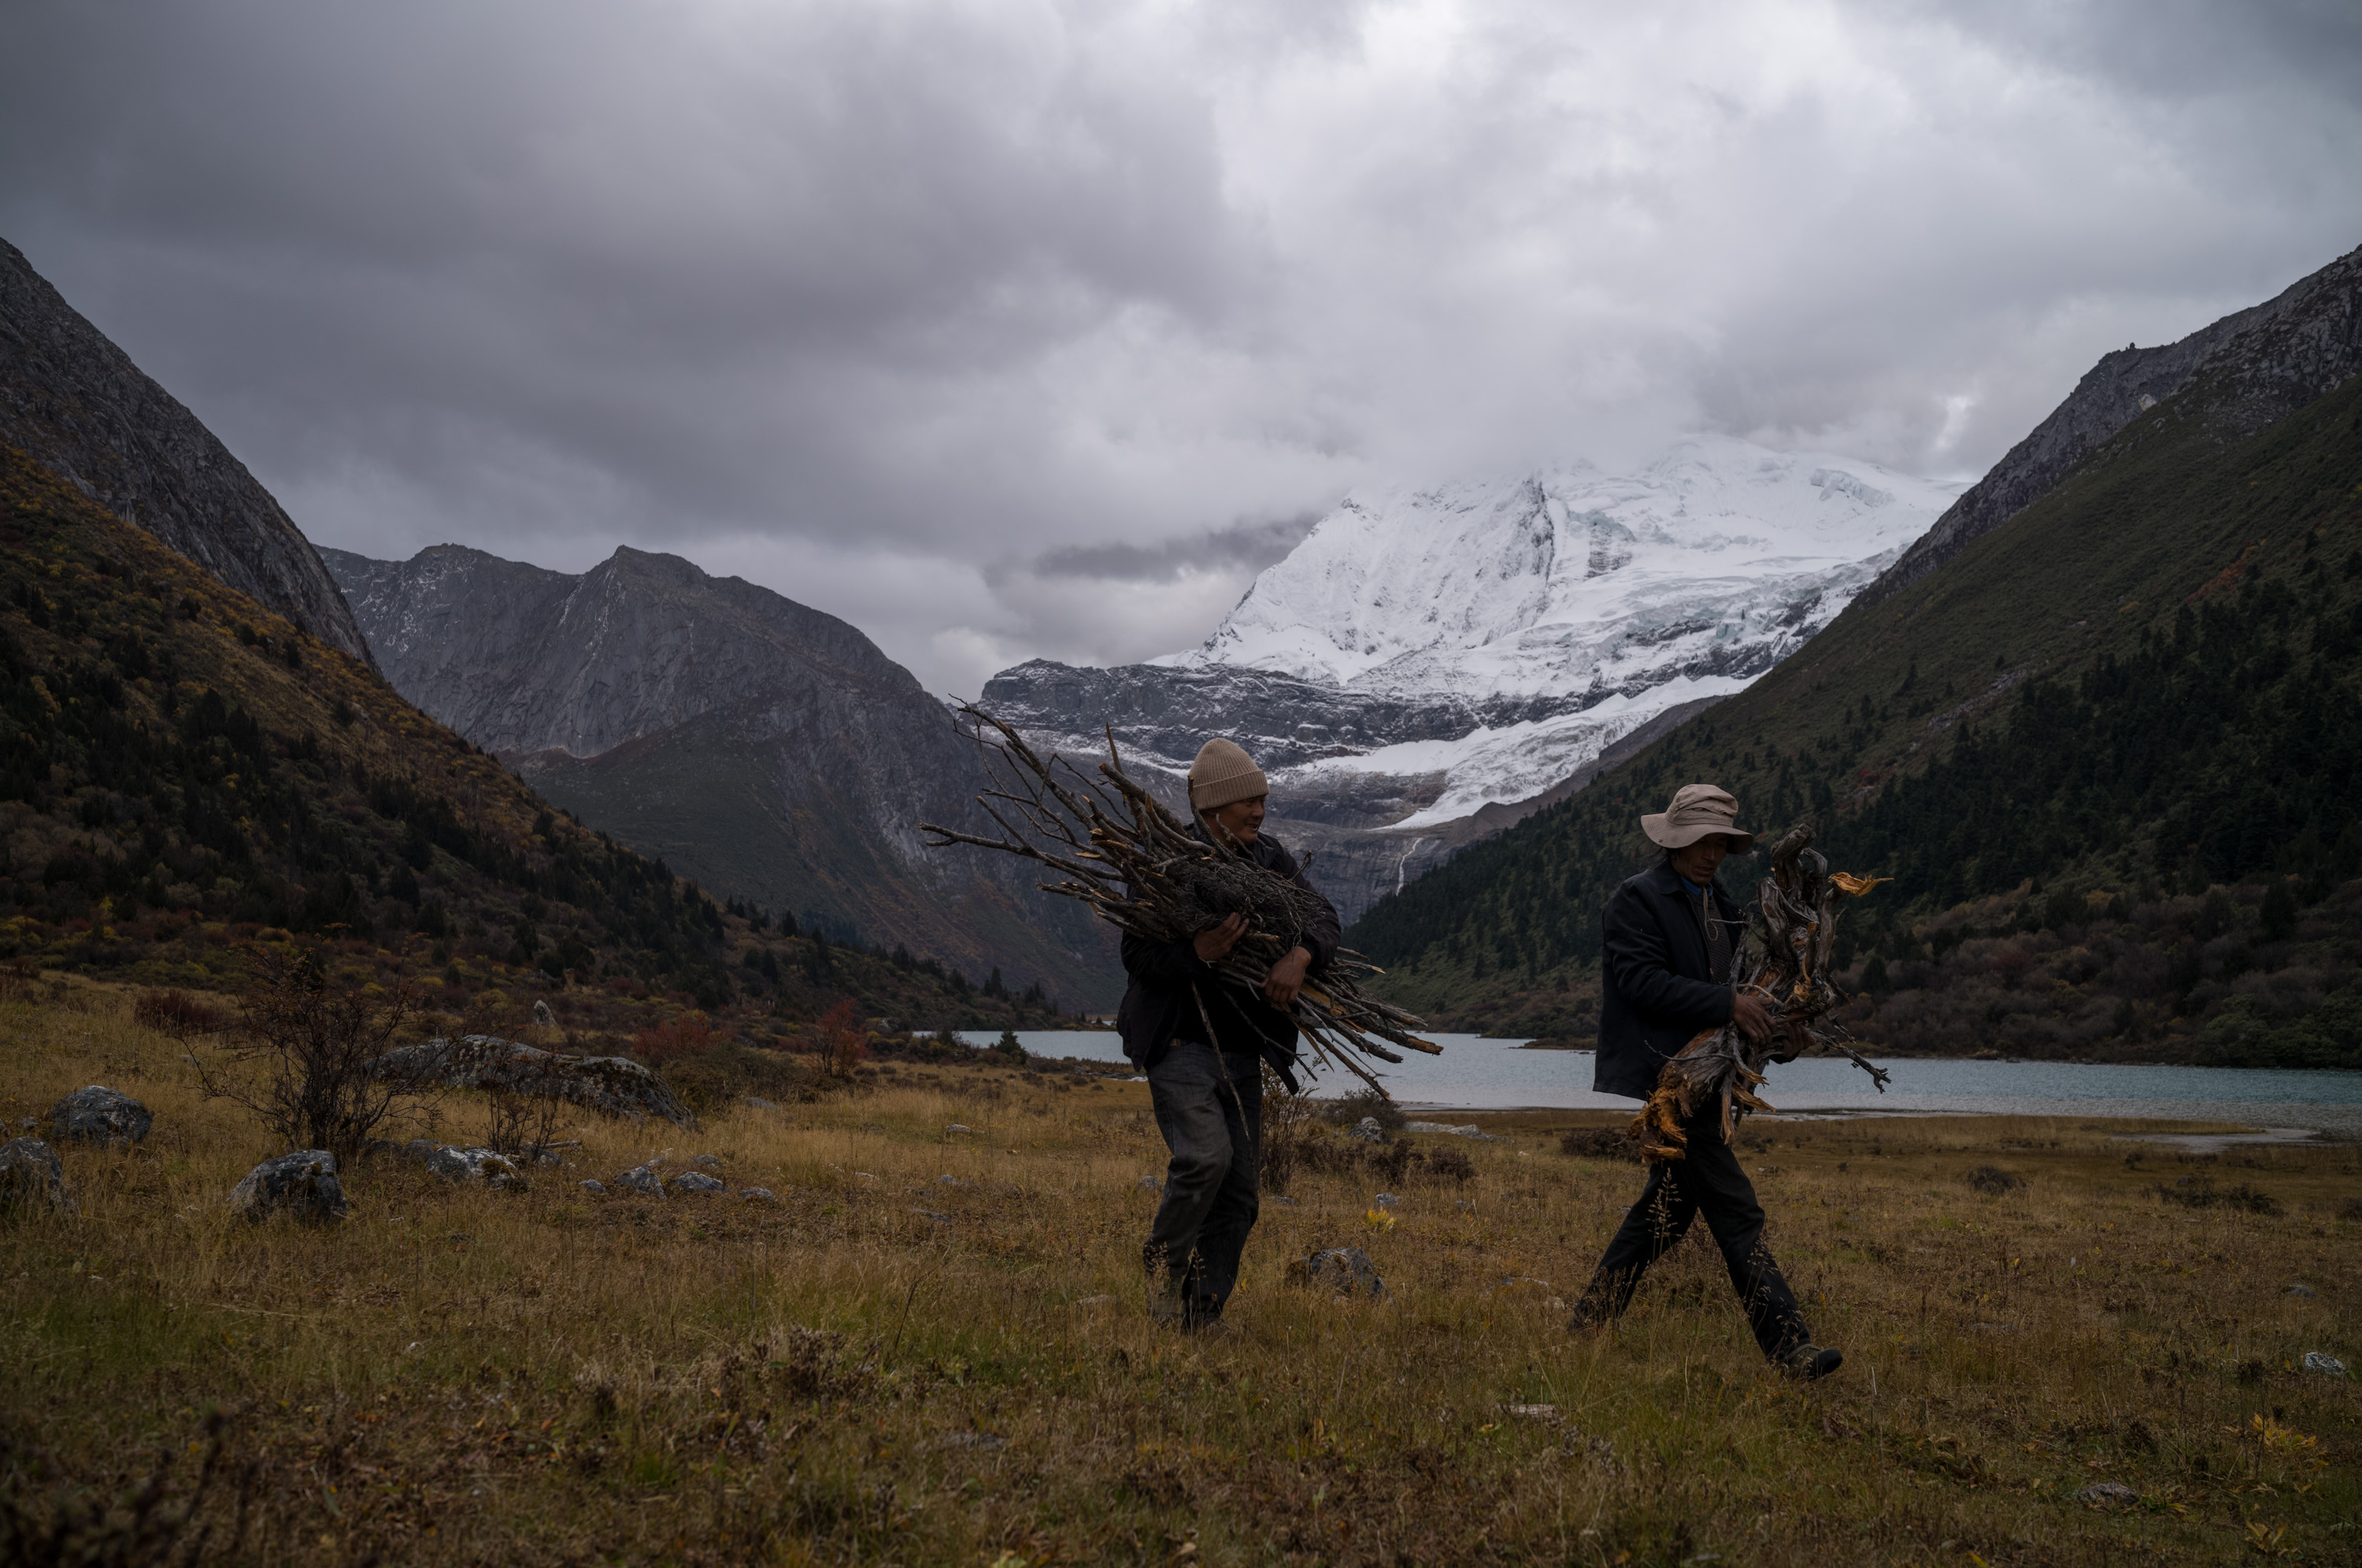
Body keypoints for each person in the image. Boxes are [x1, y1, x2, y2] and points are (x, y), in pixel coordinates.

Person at [1568, 782, 1843, 1381]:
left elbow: (1744, 1004)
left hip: (1707, 1078)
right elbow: (1640, 982)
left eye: (1719, 843)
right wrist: (1728, 1004)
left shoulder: (1726, 906)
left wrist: (1781, 1036)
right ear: (1674, 841)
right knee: (1736, 1211)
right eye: (1700, 841)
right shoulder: (1637, 899)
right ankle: (1790, 1348)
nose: (1711, 853)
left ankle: (1588, 1323)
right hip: (1667, 1077)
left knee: (1664, 1214)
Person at [1117, 737, 1338, 1332]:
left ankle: (1203, 1313)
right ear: (1214, 806)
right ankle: (1162, 1276)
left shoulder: (1270, 860)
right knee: (1204, 1159)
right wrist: (1197, 953)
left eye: (1263, 800)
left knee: (1240, 1195)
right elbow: (1136, 955)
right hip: (1179, 1045)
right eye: (1249, 801)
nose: (1260, 811)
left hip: (1241, 1052)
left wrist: (1301, 955)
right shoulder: (1166, 861)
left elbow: (1323, 916)